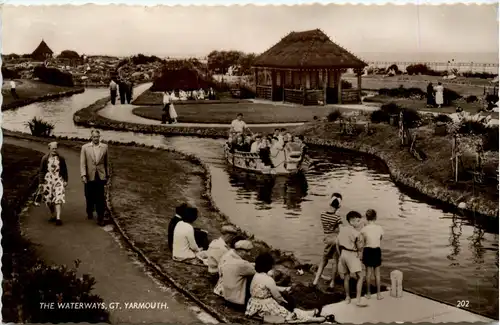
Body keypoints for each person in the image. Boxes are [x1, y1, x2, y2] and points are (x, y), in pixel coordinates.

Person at [246, 252, 324, 322]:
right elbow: (277, 296)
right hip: (265, 305)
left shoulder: (256, 275)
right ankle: (312, 319)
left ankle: (306, 313)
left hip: (253, 304)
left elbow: (262, 288)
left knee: (285, 309)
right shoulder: (268, 279)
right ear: (269, 266)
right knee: (287, 314)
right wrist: (283, 301)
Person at [312, 193, 343, 289]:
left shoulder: (322, 215)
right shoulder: (338, 217)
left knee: (323, 260)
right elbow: (341, 231)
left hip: (327, 238)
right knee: (335, 261)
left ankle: (315, 280)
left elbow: (327, 227)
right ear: (339, 206)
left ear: (329, 204)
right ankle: (332, 283)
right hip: (335, 239)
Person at [214, 240, 256, 309]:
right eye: (247, 251)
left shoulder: (229, 254)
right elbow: (255, 271)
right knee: (253, 278)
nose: (249, 254)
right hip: (235, 299)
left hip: (222, 288)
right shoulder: (242, 264)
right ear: (240, 250)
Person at [336, 211, 367, 307]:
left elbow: (337, 243)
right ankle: (358, 300)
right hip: (352, 254)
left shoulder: (342, 230)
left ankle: (347, 297)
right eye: (358, 221)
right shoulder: (356, 233)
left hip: (343, 254)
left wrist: (340, 254)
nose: (359, 223)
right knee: (361, 276)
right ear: (352, 221)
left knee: (346, 277)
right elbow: (360, 248)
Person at [80, 129, 109, 226]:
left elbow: (106, 163)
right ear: (91, 137)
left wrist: (107, 175)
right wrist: (83, 175)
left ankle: (100, 218)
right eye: (94, 137)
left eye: (97, 136)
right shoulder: (85, 148)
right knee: (89, 195)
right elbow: (83, 163)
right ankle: (89, 210)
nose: (96, 138)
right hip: (89, 176)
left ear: (99, 137)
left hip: (100, 176)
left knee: (100, 197)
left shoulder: (104, 147)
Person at [39, 142, 68, 226]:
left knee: (58, 197)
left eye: (56, 148)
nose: (54, 150)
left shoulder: (61, 158)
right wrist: (40, 182)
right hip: (47, 180)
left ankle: (58, 218)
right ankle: (52, 214)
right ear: (49, 149)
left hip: (58, 179)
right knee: (48, 200)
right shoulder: (45, 158)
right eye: (53, 149)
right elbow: (41, 171)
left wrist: (65, 180)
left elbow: (64, 170)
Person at [360, 209, 384, 300]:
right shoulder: (380, 228)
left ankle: (368, 293)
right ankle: (378, 294)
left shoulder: (363, 229)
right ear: (376, 217)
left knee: (368, 273)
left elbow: (362, 241)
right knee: (377, 273)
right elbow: (380, 238)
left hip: (368, 250)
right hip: (377, 250)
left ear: (366, 218)